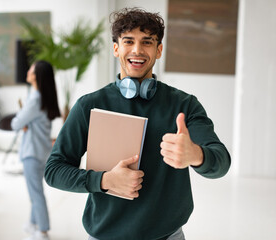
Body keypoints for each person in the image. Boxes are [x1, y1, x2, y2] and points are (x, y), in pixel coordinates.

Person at [44, 7, 231, 240]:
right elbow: (54, 171)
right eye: (128, 41)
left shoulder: (185, 105)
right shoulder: (88, 106)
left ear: (159, 50)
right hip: (104, 235)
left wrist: (196, 155)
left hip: (168, 236)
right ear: (116, 48)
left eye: (147, 42)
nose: (137, 50)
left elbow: (221, 162)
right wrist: (103, 180)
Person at [11, 60, 61, 240]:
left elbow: (16, 123)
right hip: (42, 152)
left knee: (35, 193)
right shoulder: (44, 96)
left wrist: (23, 122)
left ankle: (43, 230)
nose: (28, 70)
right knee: (36, 190)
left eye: (31, 68)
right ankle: (32, 224)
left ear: (36, 74)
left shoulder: (35, 98)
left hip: (31, 153)